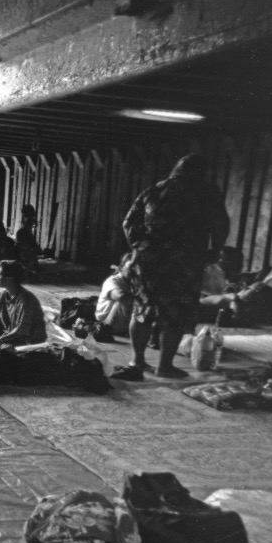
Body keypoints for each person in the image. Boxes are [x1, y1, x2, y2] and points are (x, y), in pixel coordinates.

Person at [112, 153, 230, 382]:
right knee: (175, 314)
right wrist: (214, 251)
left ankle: (137, 359)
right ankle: (164, 366)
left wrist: (140, 244)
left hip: (148, 262)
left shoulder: (155, 189)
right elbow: (221, 225)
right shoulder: (207, 193)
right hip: (184, 263)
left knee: (143, 308)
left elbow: (129, 221)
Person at [0, 260, 47, 348]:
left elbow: (21, 332)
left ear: (10, 278)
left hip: (28, 343)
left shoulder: (26, 300)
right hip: (9, 337)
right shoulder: (1, 296)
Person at [94, 267, 133, 342]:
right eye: (130, 267)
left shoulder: (132, 281)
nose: (133, 270)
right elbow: (120, 296)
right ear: (121, 268)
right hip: (107, 324)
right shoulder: (112, 281)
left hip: (122, 320)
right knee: (124, 301)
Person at [15, 206, 43, 272]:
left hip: (22, 237)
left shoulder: (27, 220)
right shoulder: (29, 220)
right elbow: (30, 237)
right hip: (24, 238)